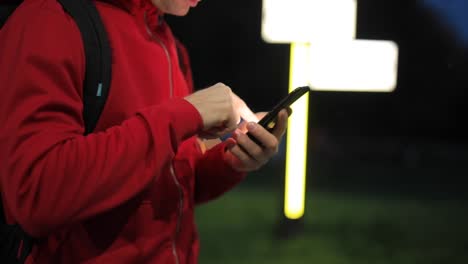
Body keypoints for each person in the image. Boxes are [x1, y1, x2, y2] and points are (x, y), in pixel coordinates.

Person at [0, 0, 289, 263]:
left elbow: (171, 185)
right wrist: (186, 113)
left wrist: (231, 161)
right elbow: (37, 194)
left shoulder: (170, 45)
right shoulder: (49, 19)